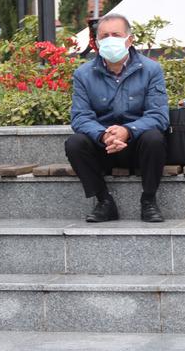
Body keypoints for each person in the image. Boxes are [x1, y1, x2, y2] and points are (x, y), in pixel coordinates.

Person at [65, 14, 169, 223]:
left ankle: (149, 201)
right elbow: (80, 117)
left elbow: (158, 115)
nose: (110, 40)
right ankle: (104, 201)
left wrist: (128, 131)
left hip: (137, 145)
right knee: (74, 143)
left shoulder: (151, 70)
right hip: (103, 146)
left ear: (129, 40)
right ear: (97, 41)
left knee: (155, 138)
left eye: (116, 34)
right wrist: (103, 135)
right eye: (104, 36)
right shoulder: (83, 74)